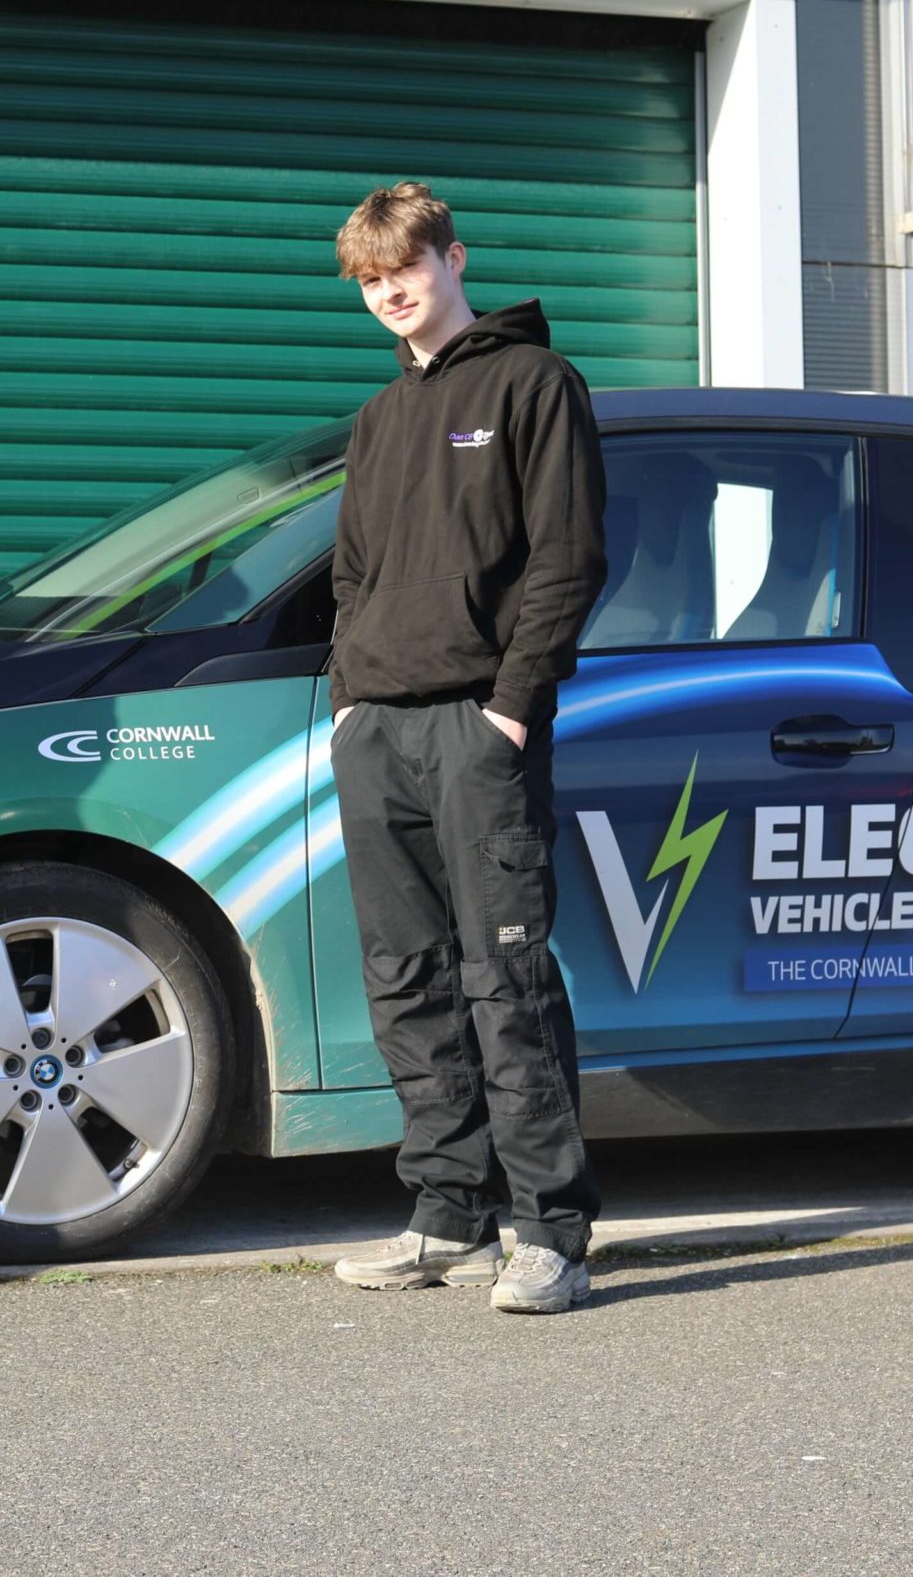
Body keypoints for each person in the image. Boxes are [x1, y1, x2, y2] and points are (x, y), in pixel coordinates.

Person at [324, 182, 609, 1315]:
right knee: (404, 981)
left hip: (476, 728)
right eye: (370, 280)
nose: (390, 291)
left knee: (506, 980)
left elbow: (567, 558)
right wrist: (350, 699)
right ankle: (446, 1215)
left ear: (453, 258)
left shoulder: (535, 385)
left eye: (406, 266)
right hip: (378, 731)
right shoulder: (380, 418)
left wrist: (509, 707)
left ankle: (550, 1232)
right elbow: (350, 574)